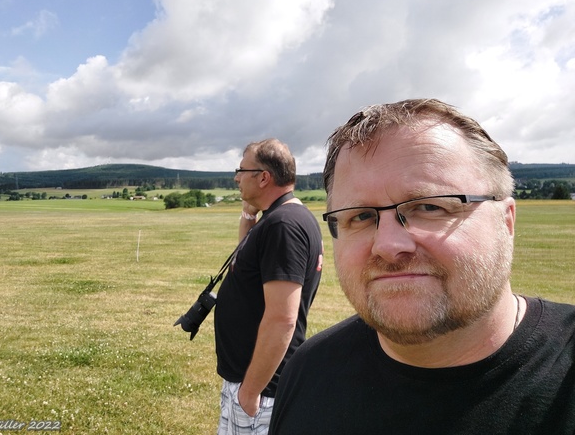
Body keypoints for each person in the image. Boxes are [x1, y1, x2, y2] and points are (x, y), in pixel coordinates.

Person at [269, 99, 575, 434]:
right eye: (360, 216)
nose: (388, 246)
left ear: (507, 222)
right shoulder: (309, 372)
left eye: (429, 207)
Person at [214, 138, 323, 434]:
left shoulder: (283, 225)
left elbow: (282, 319)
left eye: (241, 169)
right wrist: (249, 215)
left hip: (261, 388)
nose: (236, 177)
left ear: (263, 177)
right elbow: (245, 267)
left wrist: (249, 393)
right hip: (253, 381)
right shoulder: (278, 218)